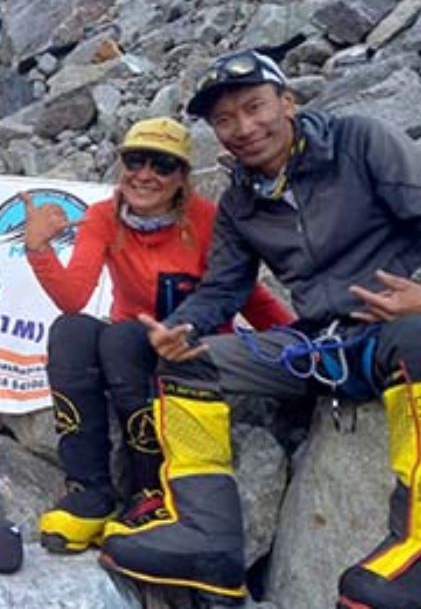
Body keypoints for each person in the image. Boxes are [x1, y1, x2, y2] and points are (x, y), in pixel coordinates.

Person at [97, 49, 421, 607]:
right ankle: (206, 540)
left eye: (255, 106)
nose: (244, 128)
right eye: (225, 120)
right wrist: (181, 327)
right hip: (324, 344)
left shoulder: (360, 141)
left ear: (288, 101)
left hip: (403, 323)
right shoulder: (241, 201)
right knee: (185, 363)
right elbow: (224, 288)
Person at [23, 117, 293, 555]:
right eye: (135, 160)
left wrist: (295, 343)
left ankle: (150, 489)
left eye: (163, 165)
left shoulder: (208, 220)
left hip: (190, 354)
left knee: (121, 339)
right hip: (128, 346)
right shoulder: (102, 217)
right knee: (71, 331)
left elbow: (244, 292)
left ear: (183, 176)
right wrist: (39, 248)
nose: (145, 174)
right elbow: (74, 300)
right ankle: (89, 493)